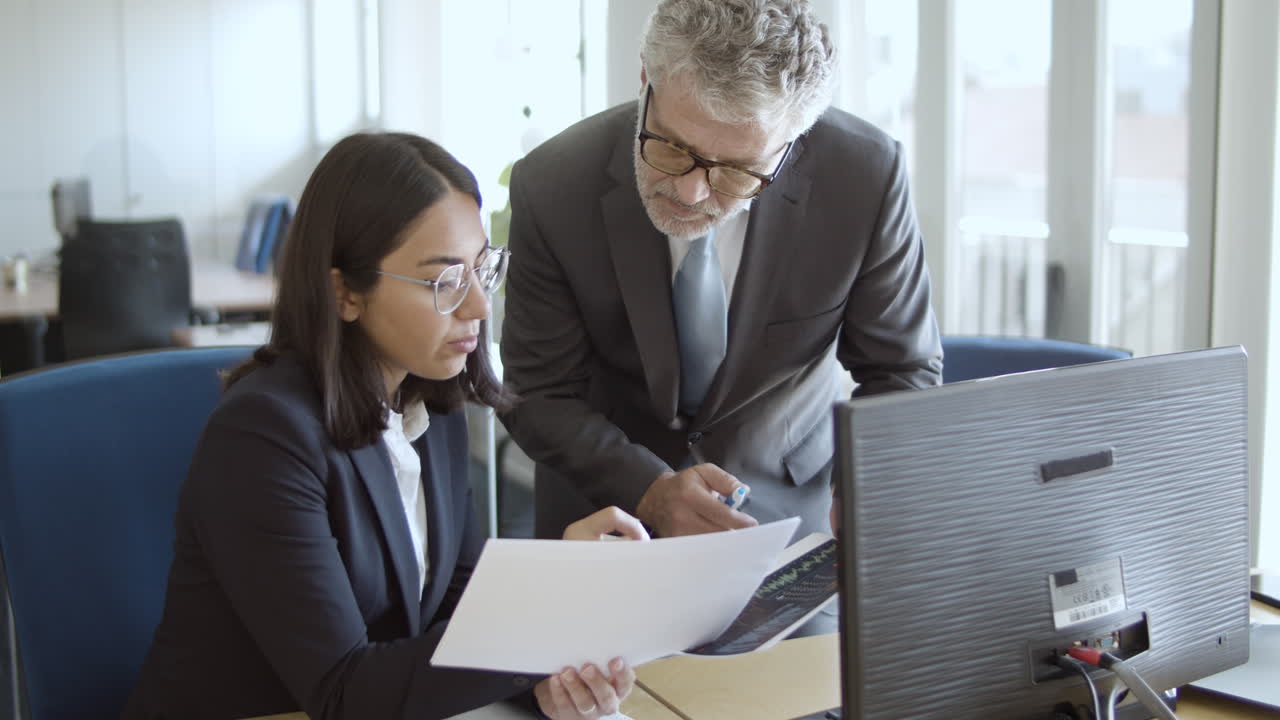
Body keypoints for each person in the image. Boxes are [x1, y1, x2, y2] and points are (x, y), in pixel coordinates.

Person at [125, 132, 643, 720]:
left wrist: (542, 677)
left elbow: (456, 613)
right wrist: (544, 607)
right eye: (445, 281)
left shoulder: (433, 402)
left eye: (482, 269)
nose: (478, 306)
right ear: (345, 291)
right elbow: (341, 690)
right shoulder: (263, 438)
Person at [499, 0, 942, 550]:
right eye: (672, 148)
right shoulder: (553, 182)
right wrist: (650, 487)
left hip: (791, 518)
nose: (691, 193)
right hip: (606, 516)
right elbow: (537, 391)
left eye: (737, 171)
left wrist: (868, 483)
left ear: (794, 139)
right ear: (645, 79)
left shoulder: (866, 177)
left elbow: (902, 368)